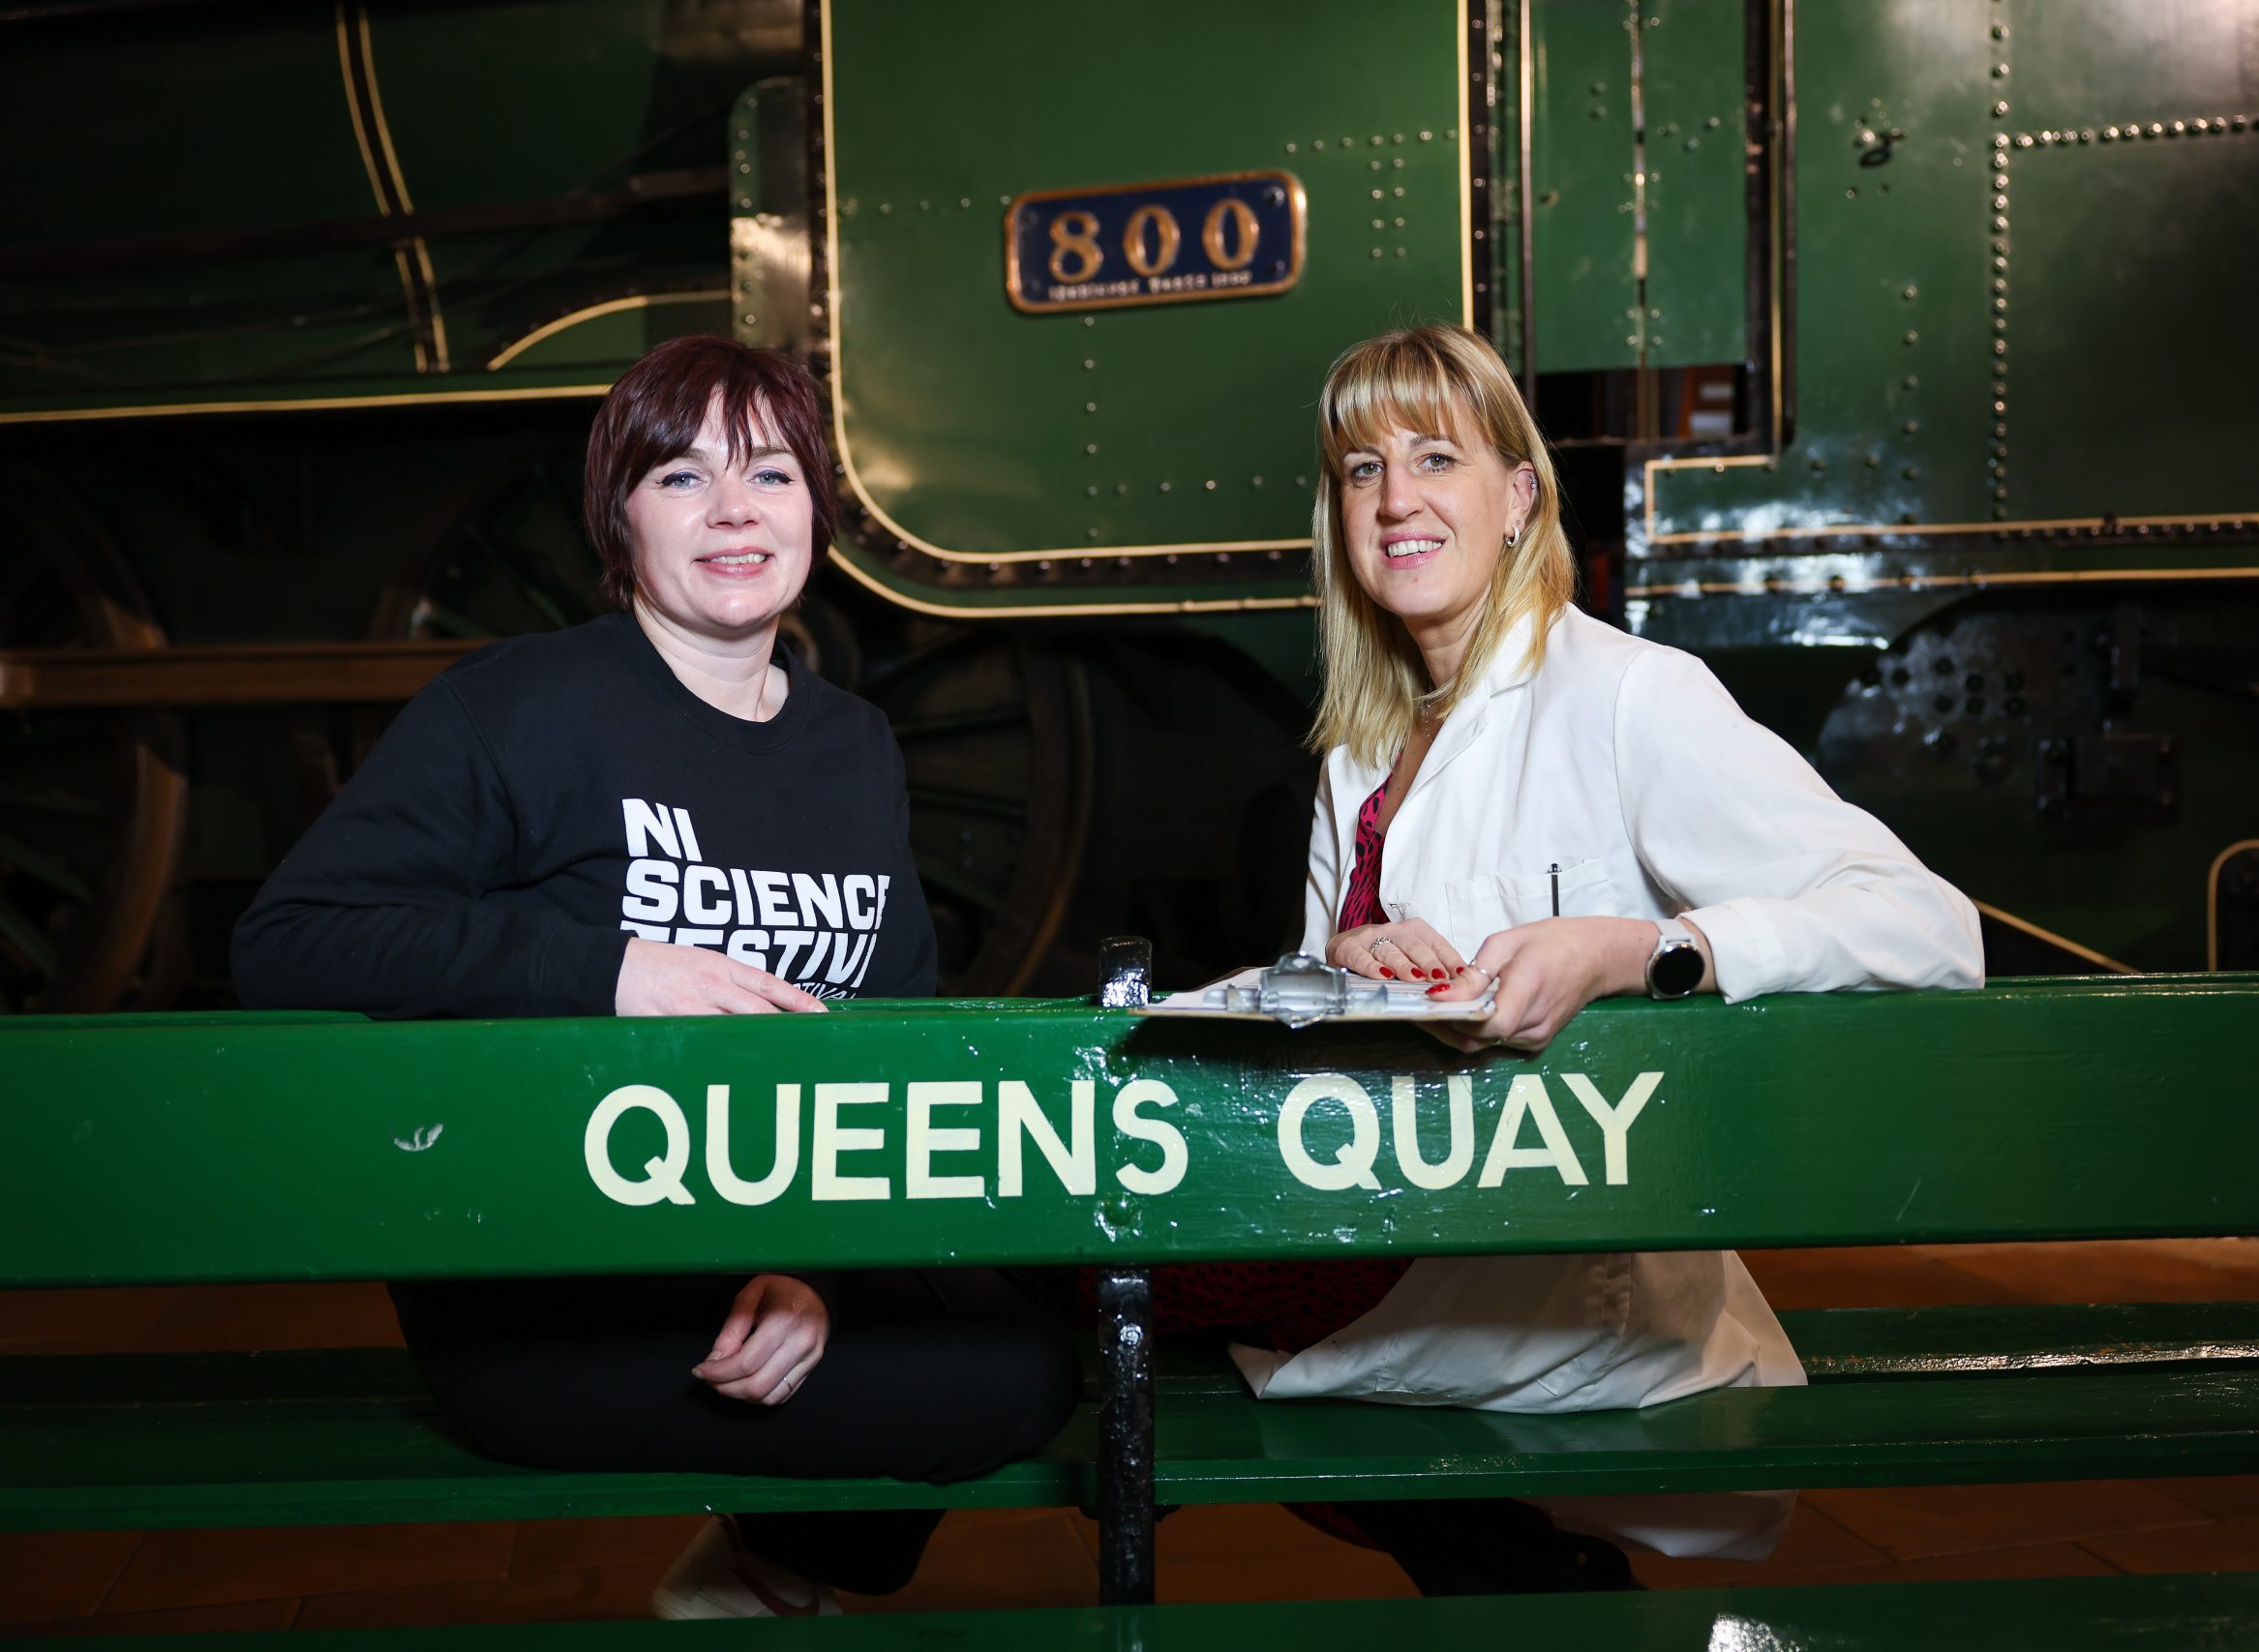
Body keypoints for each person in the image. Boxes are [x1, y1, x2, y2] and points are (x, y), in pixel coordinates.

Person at [229, 336, 1080, 1619]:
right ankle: (770, 1576)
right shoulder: (518, 709)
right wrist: (608, 969)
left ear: (818, 515)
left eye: (774, 475)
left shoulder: (853, 745)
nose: (736, 511)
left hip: (775, 1240)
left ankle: (757, 1579)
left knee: (1073, 1310)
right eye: (682, 479)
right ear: (617, 519)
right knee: (1017, 1380)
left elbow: (894, 1034)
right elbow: (288, 941)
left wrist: (824, 1268)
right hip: (556, 1283)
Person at [1230, 323, 1984, 1585]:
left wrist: (1649, 950)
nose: (1397, 499)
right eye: (1362, 471)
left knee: (1098, 1295)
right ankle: (1525, 1582)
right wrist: (1348, 961)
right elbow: (1311, 1047)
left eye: (1434, 458)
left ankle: (821, 1563)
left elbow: (1928, 928)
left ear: (1518, 495)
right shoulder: (1359, 746)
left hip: (1538, 1252)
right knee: (1104, 1297)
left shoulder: (1633, 695)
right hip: (1380, 1217)